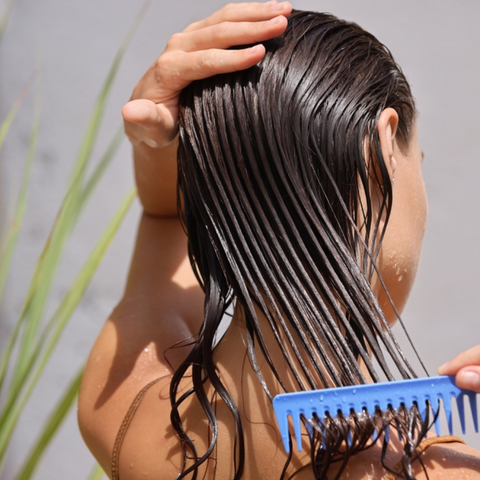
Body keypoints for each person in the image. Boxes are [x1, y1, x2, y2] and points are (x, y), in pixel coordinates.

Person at [78, 2, 480, 479]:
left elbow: (163, 216)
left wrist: (159, 141)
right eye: (421, 161)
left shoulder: (128, 413)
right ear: (384, 148)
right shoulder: (443, 472)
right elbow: (167, 214)